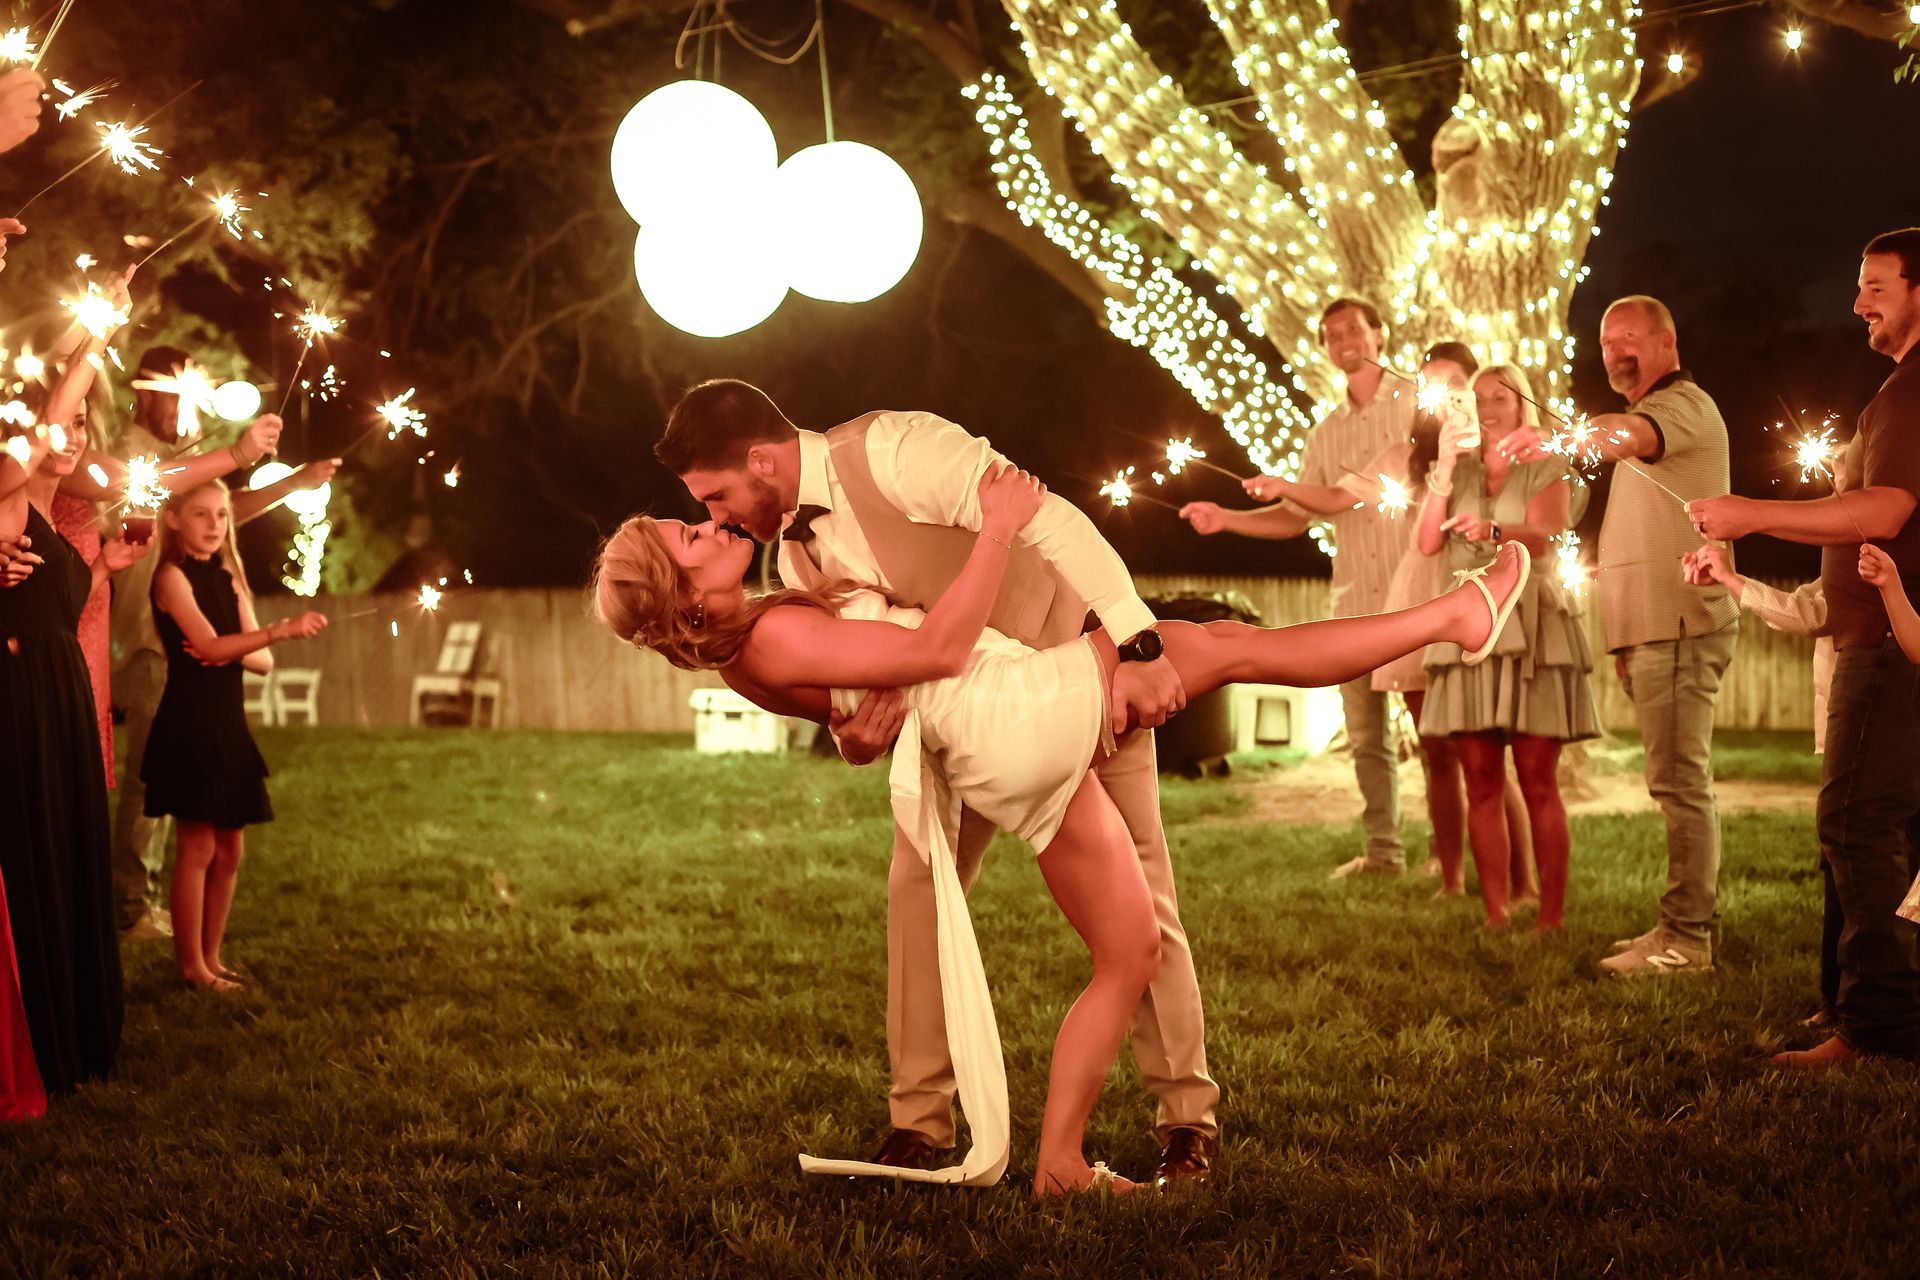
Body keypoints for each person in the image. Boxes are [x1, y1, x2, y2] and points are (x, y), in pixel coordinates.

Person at [593, 474, 1531, 1195]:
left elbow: (863, 701)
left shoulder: (760, 632)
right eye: (691, 532)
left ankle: (1063, 1167)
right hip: (1017, 708)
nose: (711, 525)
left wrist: (853, 716)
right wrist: (998, 528)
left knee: (1126, 950)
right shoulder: (765, 641)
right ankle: (1455, 615)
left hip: (1004, 754)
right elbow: (936, 651)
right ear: (681, 596)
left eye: (702, 512)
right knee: (1230, 645)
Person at [654, 380, 1219, 1188]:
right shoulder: (792, 559)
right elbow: (857, 697)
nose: (722, 516)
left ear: (760, 459)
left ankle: (1186, 1123)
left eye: (717, 495)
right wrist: (852, 741)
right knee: (915, 890)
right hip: (960, 738)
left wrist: (1138, 642)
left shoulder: (892, 449)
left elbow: (1048, 516)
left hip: (1089, 673)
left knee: (1145, 897)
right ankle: (916, 1125)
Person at [1690, 228, 1920, 1064]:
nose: (1857, 303)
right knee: (1889, 829)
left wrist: (1752, 512)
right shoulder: (1897, 393)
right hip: (1878, 637)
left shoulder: (1910, 392)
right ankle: (1873, 1012)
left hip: (1892, 649)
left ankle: (1878, 1028)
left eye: (1876, 288)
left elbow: (1887, 509)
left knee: (1858, 825)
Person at [1504, 296, 1739, 974]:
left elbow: (1626, 435)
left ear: (1667, 340)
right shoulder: (1655, 409)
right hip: (1650, 632)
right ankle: (1684, 924)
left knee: (1679, 782)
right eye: (1607, 343)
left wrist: (1553, 437)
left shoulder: (1681, 406)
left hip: (1680, 624)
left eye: (1631, 338)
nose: (1616, 352)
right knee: (1675, 780)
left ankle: (1686, 939)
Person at [1181, 297, 1414, 879]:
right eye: (1332, 334)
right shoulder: (1326, 432)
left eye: (1354, 329)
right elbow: (1295, 515)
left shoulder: (1416, 406)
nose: (1344, 340)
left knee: (1440, 736)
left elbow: (1339, 497)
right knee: (1367, 737)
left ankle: (1456, 860)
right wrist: (1228, 518)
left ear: (1379, 335)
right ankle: (1385, 853)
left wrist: (1287, 485)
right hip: (1355, 601)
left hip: (1418, 595)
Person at [107, 345, 286, 942]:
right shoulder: (133, 457)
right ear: (150, 391)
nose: (186, 409)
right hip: (138, 636)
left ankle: (137, 899)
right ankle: (129, 906)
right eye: (176, 394)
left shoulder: (173, 459)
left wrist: (293, 483)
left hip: (166, 640)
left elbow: (221, 510)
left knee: (157, 783)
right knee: (146, 783)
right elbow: (163, 496)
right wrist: (234, 452)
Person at [1416, 364, 1597, 930]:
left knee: (1539, 778)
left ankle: (1549, 917)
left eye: (1502, 397)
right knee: (1481, 779)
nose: (1490, 408)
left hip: (1532, 623)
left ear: (1524, 406)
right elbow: (1426, 542)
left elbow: (1547, 534)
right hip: (1469, 622)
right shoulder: (1459, 469)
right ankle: (1495, 913)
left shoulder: (1546, 462)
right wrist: (1444, 464)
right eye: (1479, 399)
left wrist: (1494, 531)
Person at [0, 385, 141, 1097]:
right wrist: (95, 329)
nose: (74, 434)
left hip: (60, 693)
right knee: (36, 848)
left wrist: (104, 568)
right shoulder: (7, 491)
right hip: (19, 695)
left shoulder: (47, 507)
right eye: (64, 423)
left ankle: (81, 1026)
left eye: (84, 424)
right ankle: (43, 1034)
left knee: (68, 846)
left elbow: (52, 598)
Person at [1363, 341, 1537, 901]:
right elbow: (1424, 535)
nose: (1449, 394)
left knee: (1485, 751)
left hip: (1472, 590)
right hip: (1421, 588)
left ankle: (1522, 881)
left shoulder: (1497, 447)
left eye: (1458, 381)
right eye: (1433, 382)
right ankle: (1451, 873)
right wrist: (1440, 460)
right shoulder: (1423, 454)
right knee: (1435, 748)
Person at [144, 481, 326, 990]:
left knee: (231, 849)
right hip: (191, 723)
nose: (214, 525)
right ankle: (190, 966)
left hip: (228, 724)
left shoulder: (228, 579)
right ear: (175, 519)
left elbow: (260, 662)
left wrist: (235, 646)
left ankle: (212, 955)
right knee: (197, 845)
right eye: (201, 514)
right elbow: (211, 645)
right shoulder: (170, 577)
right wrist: (270, 632)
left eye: (222, 515)